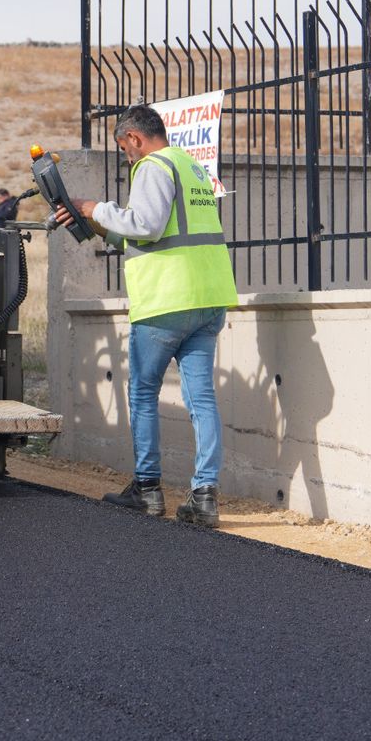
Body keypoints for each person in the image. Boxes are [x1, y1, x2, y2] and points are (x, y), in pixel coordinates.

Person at [52, 103, 238, 527]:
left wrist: (93, 209)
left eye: (124, 148)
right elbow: (160, 235)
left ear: (134, 138)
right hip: (207, 298)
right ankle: (205, 496)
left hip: (166, 301)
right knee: (202, 398)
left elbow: (148, 225)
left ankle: (148, 489)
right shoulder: (189, 167)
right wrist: (103, 228)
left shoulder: (153, 166)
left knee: (142, 393)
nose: (126, 157)